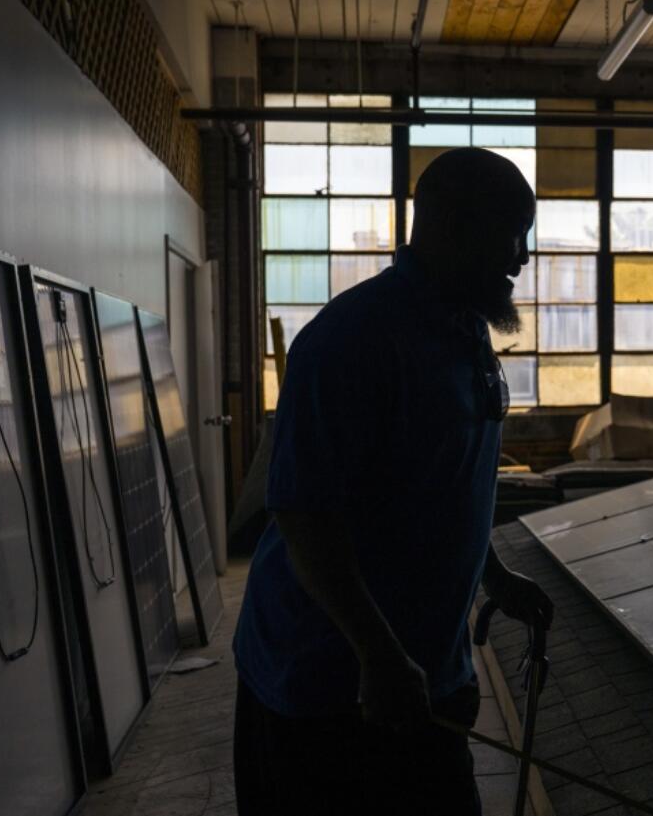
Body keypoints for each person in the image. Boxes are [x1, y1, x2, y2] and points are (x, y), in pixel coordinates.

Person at [232, 147, 554, 815]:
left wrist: (492, 575)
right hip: (331, 686)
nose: (522, 256)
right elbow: (301, 514)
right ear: (448, 227)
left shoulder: (467, 328)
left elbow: (449, 483)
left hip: (425, 675)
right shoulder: (350, 343)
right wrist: (375, 652)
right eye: (509, 233)